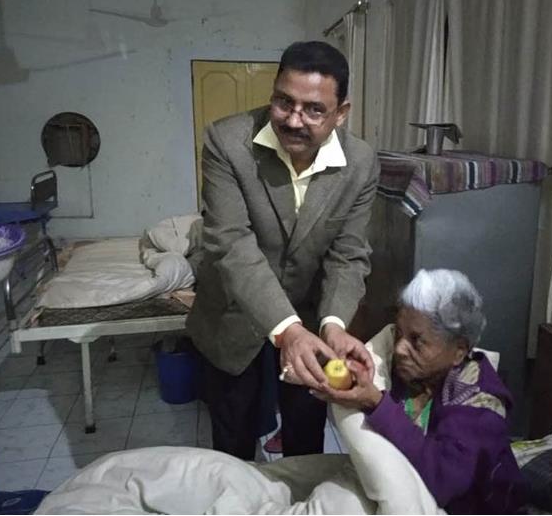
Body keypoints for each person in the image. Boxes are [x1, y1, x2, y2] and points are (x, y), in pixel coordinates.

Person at [186, 41, 378, 460]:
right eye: (283, 102)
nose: (294, 120)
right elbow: (231, 243)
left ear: (341, 113)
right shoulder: (227, 142)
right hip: (233, 318)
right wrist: (286, 329)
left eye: (313, 109)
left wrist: (333, 324)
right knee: (233, 442)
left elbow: (348, 254)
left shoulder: (360, 162)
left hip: (313, 318)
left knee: (306, 436)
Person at [314, 269, 528, 514]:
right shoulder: (414, 372)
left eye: (417, 341)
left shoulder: (480, 403)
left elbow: (443, 481)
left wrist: (376, 402)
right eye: (400, 333)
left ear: (459, 350)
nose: (400, 348)